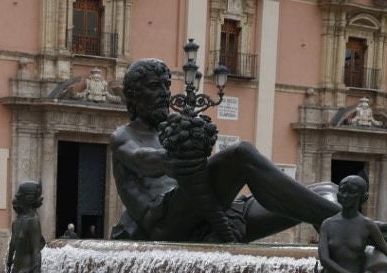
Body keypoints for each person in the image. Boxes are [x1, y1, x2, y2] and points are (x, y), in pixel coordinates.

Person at [110, 58, 339, 243]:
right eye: (154, 86)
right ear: (134, 95)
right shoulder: (124, 136)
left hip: (209, 212)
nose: (164, 93)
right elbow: (141, 159)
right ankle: (346, 221)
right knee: (241, 154)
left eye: (166, 86)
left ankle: (343, 231)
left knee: (326, 190)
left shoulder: (175, 126)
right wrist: (171, 160)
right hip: (167, 222)